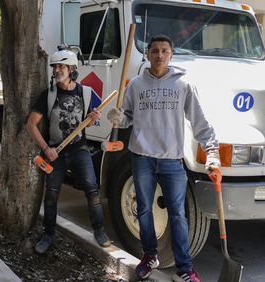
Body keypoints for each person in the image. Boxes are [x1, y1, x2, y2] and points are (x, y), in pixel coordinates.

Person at [107, 35, 220, 282]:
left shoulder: (183, 85)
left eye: (164, 50)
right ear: (147, 55)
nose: (159, 54)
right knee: (144, 210)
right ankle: (150, 256)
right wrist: (117, 117)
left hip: (171, 160)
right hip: (142, 157)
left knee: (178, 215)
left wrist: (212, 152)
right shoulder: (136, 85)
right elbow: (127, 118)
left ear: (171, 55)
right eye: (155, 50)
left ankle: (185, 269)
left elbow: (201, 122)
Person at [26, 49, 111, 254]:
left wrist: (93, 118)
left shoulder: (86, 92)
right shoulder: (49, 95)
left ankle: (99, 230)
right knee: (51, 194)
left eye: (61, 66)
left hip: (79, 149)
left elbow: (93, 121)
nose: (57, 70)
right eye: (55, 67)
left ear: (72, 68)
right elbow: (31, 125)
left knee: (92, 189)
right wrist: (46, 149)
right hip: (56, 152)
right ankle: (48, 234)